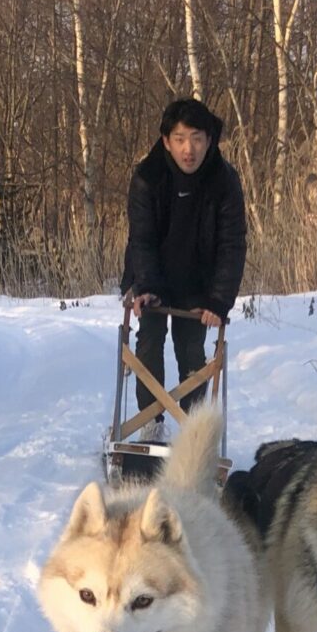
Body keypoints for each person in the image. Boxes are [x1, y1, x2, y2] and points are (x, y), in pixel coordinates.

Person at [119, 97, 248, 419]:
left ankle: (193, 429)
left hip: (198, 280)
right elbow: (142, 239)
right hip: (153, 276)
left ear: (209, 140)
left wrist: (218, 301)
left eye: (196, 139)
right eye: (179, 139)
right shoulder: (147, 177)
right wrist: (146, 286)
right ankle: (149, 422)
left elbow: (232, 244)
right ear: (167, 141)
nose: (188, 149)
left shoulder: (224, 181)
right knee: (149, 342)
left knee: (191, 351)